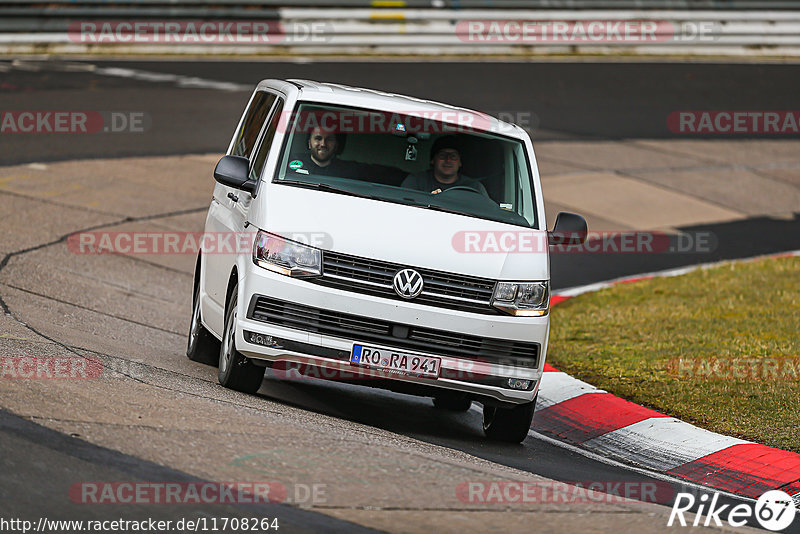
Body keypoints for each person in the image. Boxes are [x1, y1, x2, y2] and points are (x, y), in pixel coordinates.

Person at [400, 136, 488, 196]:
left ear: (460, 162)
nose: (448, 160)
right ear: (433, 160)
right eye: (442, 155)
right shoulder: (416, 181)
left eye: (453, 156)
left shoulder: (474, 187)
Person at [285, 126, 363, 178]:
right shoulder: (289, 164)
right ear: (309, 143)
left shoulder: (347, 172)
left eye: (329, 139)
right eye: (318, 138)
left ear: (336, 145)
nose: (323, 144)